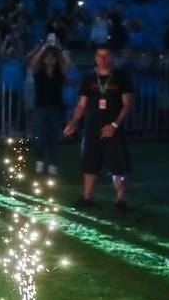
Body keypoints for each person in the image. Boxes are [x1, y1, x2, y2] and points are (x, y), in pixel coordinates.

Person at [64, 47, 134, 210]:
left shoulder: (122, 78)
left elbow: (127, 104)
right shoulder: (89, 79)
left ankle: (120, 199)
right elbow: (81, 104)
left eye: (106, 55)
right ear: (95, 57)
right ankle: (87, 196)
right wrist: (74, 121)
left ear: (112, 58)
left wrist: (114, 125)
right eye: (99, 55)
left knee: (118, 165)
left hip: (114, 128)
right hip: (92, 127)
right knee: (90, 162)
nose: (102, 58)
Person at [28, 37, 72, 175]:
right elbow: (33, 62)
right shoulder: (38, 72)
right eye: (48, 57)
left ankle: (52, 163)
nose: (50, 59)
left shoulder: (60, 72)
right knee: (40, 136)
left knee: (54, 136)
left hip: (56, 107)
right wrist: (44, 48)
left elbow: (68, 63)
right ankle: (40, 162)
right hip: (40, 107)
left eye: (52, 57)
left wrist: (59, 48)